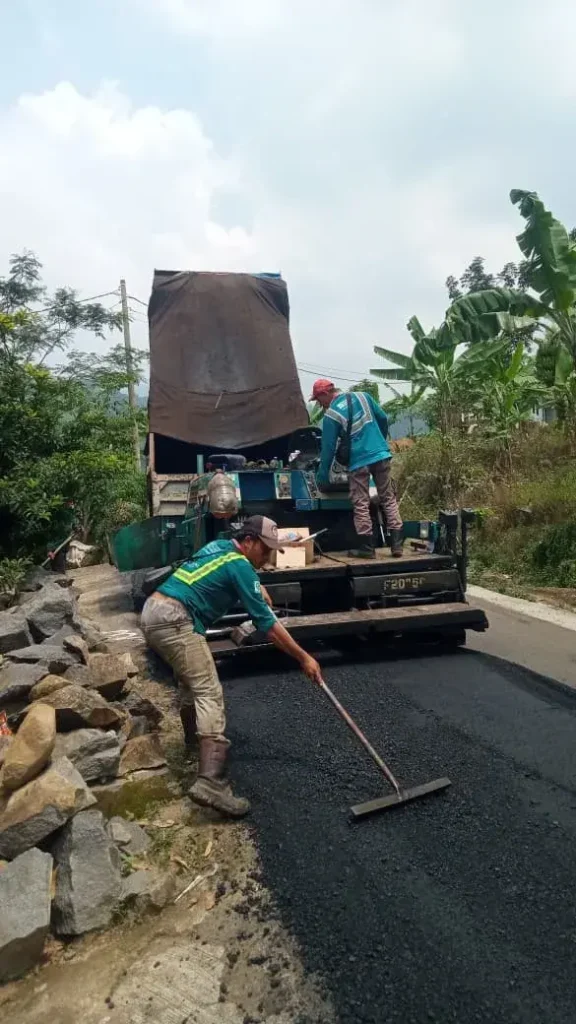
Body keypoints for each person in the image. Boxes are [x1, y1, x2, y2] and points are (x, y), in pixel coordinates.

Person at [140, 515, 324, 818]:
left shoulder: (221, 546)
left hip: (154, 611)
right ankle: (211, 782)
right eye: (265, 551)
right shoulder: (240, 565)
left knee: (189, 681)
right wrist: (304, 657)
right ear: (249, 542)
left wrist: (256, 584)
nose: (267, 558)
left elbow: (236, 571)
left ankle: (193, 742)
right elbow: (268, 625)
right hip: (176, 618)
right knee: (209, 691)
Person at [311, 379, 403, 559]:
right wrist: (379, 441)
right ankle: (397, 546)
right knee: (388, 497)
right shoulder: (364, 397)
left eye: (318, 400)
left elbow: (328, 449)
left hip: (359, 461)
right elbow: (383, 418)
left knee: (360, 502)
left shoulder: (332, 415)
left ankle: (367, 549)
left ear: (325, 394)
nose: (319, 404)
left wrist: (322, 476)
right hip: (381, 454)